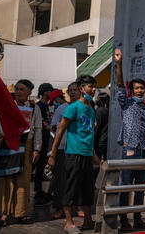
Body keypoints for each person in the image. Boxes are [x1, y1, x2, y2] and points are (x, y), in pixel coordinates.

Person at [48, 75, 99, 233]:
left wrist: (94, 154)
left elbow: (89, 134)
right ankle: (69, 222)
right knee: (70, 188)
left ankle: (88, 220)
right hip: (72, 154)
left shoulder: (91, 109)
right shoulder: (72, 107)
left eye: (94, 86)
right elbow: (60, 131)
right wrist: (53, 155)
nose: (94, 89)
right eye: (91, 86)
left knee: (87, 189)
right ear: (82, 89)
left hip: (86, 155)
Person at [114, 48, 145, 231]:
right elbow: (120, 83)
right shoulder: (126, 104)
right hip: (129, 150)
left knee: (140, 189)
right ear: (131, 91)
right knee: (125, 187)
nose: (139, 91)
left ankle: (138, 219)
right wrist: (119, 63)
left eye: (141, 88)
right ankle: (123, 221)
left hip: (143, 152)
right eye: (136, 88)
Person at [0, 79, 42, 226]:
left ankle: (21, 213)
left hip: (27, 146)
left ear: (29, 92)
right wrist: (10, 133)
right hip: (9, 144)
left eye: (22, 89)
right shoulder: (8, 106)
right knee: (6, 179)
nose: (18, 92)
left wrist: (36, 149)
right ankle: (3, 214)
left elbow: (38, 129)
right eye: (17, 89)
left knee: (24, 180)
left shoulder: (35, 108)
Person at [50, 83, 80, 220]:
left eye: (75, 90)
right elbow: (53, 127)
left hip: (79, 149)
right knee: (61, 181)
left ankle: (78, 206)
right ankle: (60, 208)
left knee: (78, 180)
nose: (73, 93)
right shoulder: (61, 108)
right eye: (70, 91)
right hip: (63, 148)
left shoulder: (85, 108)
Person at [34, 82, 54, 205]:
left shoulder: (46, 106)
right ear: (45, 92)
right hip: (39, 140)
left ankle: (39, 190)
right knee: (38, 167)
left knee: (41, 167)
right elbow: (41, 122)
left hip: (46, 139)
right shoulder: (39, 106)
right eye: (50, 91)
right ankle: (37, 191)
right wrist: (50, 128)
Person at [94, 92, 109, 161]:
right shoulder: (110, 110)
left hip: (100, 141)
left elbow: (97, 128)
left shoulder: (99, 111)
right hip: (107, 140)